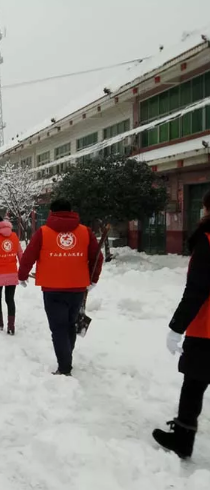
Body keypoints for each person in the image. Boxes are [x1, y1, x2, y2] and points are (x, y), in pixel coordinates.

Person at [153, 190, 210, 459]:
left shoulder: (207, 241)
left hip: (206, 329)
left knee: (194, 385)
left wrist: (177, 327)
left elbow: (197, 290)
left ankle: (183, 439)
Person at [18, 199, 103, 375]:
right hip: (78, 288)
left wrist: (22, 275)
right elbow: (97, 257)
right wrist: (93, 279)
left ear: (51, 212)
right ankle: (67, 357)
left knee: (58, 328)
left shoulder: (43, 232)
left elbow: (28, 256)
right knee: (70, 325)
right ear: (71, 211)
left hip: (52, 289)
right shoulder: (85, 231)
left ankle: (64, 367)